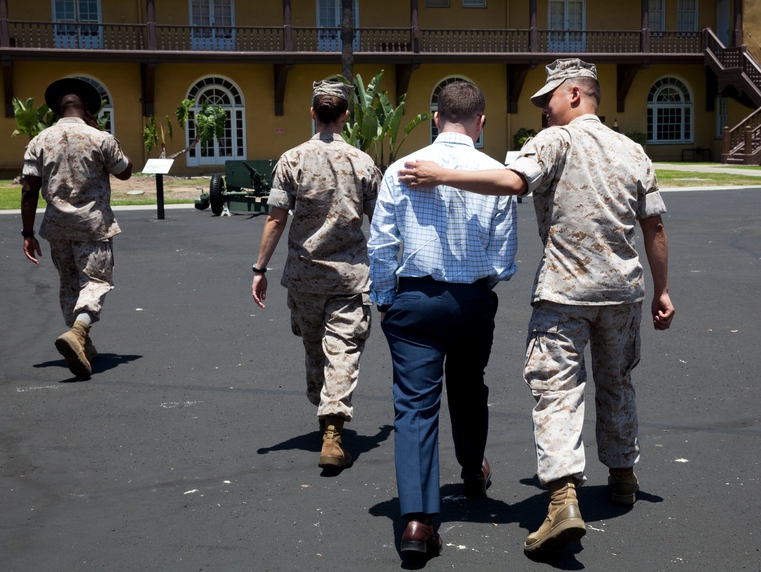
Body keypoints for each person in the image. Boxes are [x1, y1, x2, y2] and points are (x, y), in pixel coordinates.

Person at [399, 58, 675, 555]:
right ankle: (622, 476)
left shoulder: (555, 141)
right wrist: (663, 290)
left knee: (557, 391)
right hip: (621, 293)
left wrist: (442, 175)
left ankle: (563, 500)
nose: (543, 109)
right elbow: (654, 225)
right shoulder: (633, 150)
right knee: (617, 381)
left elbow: (511, 183)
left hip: (565, 294)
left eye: (548, 98)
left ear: (574, 94)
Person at [368, 80, 517, 561]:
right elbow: (504, 259)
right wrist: (480, 288)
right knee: (469, 387)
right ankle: (472, 471)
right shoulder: (496, 173)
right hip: (471, 298)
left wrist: (386, 298)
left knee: (414, 406)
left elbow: (381, 244)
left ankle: (416, 521)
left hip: (413, 298)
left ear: (436, 117)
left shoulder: (399, 170)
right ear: (481, 121)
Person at [252, 79, 382, 470]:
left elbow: (276, 219)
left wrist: (260, 267)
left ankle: (327, 419)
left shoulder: (291, 160)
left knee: (314, 348)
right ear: (345, 115)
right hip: (350, 277)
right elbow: (383, 220)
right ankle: (332, 420)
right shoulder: (363, 162)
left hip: (305, 277)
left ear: (313, 113)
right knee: (341, 351)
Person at [21, 77, 133, 380]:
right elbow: (125, 171)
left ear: (58, 108)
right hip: (93, 226)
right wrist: (99, 132)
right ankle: (79, 331)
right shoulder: (99, 137)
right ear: (87, 108)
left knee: (70, 285)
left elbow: (29, 190)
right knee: (95, 282)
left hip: (57, 228)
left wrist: (27, 233)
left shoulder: (39, 140)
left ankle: (85, 347)